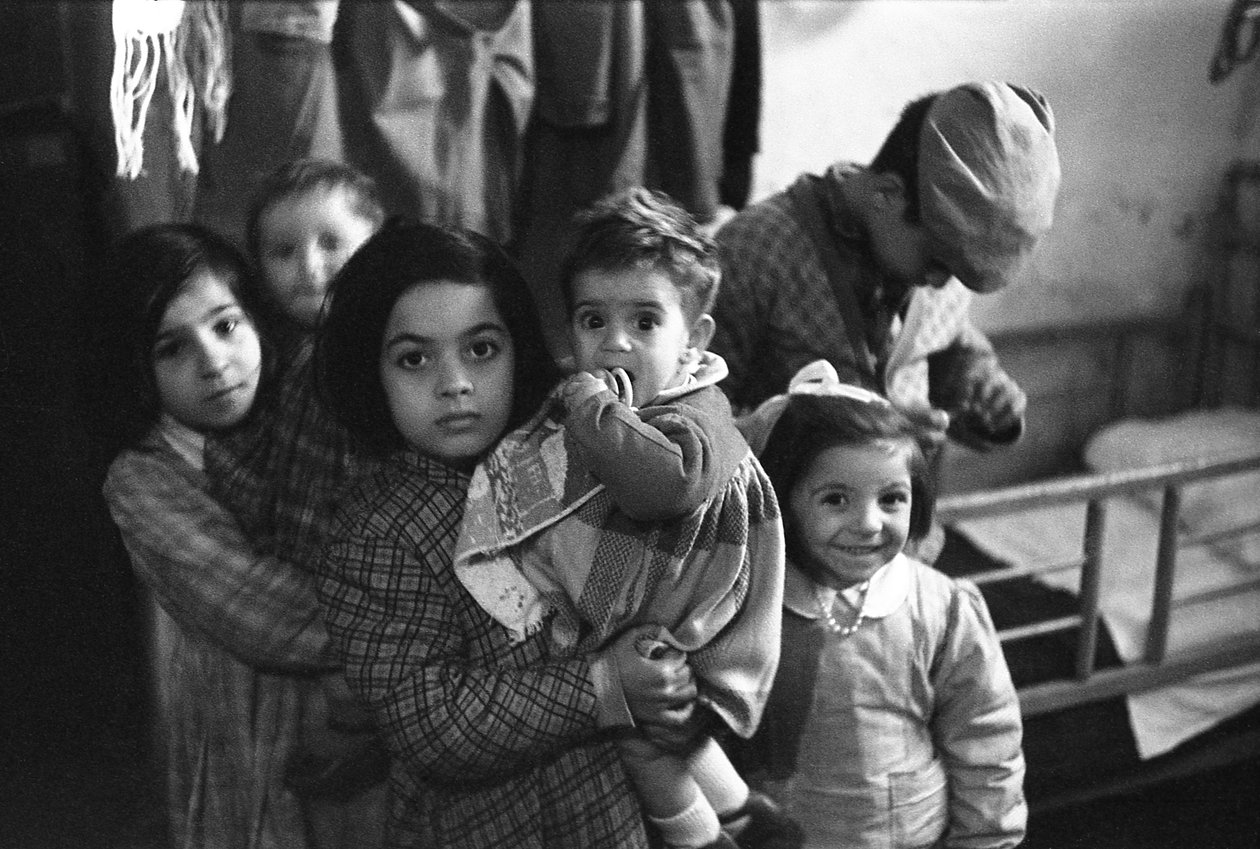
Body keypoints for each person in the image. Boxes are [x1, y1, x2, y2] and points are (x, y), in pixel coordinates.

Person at [311, 216, 701, 849]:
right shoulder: (374, 535)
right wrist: (604, 684)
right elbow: (433, 724)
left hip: (607, 814)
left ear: (520, 350)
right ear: (370, 371)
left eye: (482, 349)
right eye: (414, 358)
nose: (455, 382)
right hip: (474, 826)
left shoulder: (570, 455)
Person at [453, 187, 798, 849]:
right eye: (592, 321)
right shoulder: (618, 398)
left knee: (649, 737)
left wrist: (587, 408)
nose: (614, 344)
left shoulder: (696, 409)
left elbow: (658, 489)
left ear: (692, 339)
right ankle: (742, 816)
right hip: (642, 614)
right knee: (658, 733)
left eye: (644, 323)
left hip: (691, 614)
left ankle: (709, 836)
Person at [98, 223, 343, 849]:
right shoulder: (144, 480)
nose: (213, 362)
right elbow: (281, 622)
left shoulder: (314, 413)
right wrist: (419, 606)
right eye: (172, 349)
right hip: (251, 759)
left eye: (226, 325)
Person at [731, 360, 1027, 849]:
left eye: (891, 499)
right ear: (781, 500)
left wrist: (986, 840)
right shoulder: (749, 602)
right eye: (835, 500)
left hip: (910, 834)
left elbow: (986, 741)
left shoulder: (942, 607)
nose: (869, 524)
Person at [711, 81, 1061, 454]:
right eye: (937, 261)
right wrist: (856, 434)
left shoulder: (947, 248)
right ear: (888, 195)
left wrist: (980, 390)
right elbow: (700, 426)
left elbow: (949, 344)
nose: (941, 283)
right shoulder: (755, 250)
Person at [204, 158, 391, 833]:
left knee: (355, 714)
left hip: (358, 573)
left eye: (331, 243)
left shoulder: (383, 346)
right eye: (283, 251)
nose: (308, 267)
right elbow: (265, 450)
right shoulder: (281, 353)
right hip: (296, 558)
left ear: (375, 244)